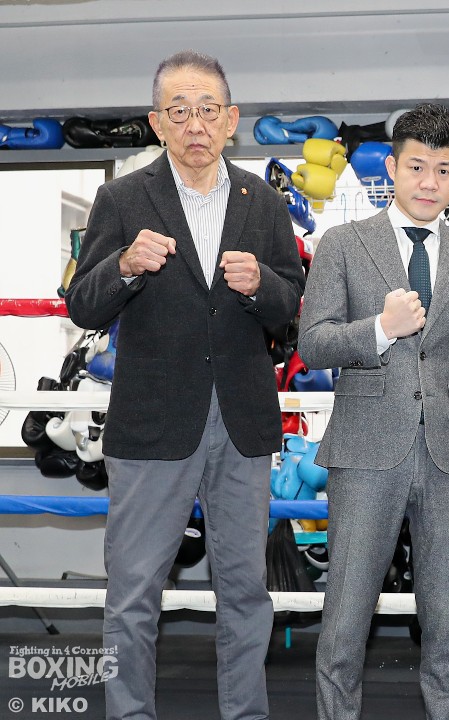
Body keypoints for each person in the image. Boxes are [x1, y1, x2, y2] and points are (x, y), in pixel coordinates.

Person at [65, 50, 305, 720]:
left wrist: (261, 285)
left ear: (231, 119)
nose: (195, 124)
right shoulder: (121, 198)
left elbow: (290, 304)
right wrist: (124, 264)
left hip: (241, 421)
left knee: (246, 591)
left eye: (208, 110)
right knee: (133, 593)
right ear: (157, 122)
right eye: (179, 111)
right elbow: (82, 305)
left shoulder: (265, 203)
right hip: (151, 424)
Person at [297, 103, 449, 720]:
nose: (428, 182)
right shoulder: (343, 243)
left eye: (443, 170)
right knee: (345, 619)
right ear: (391, 168)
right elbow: (313, 344)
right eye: (417, 167)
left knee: (447, 623)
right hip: (365, 450)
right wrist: (380, 329)